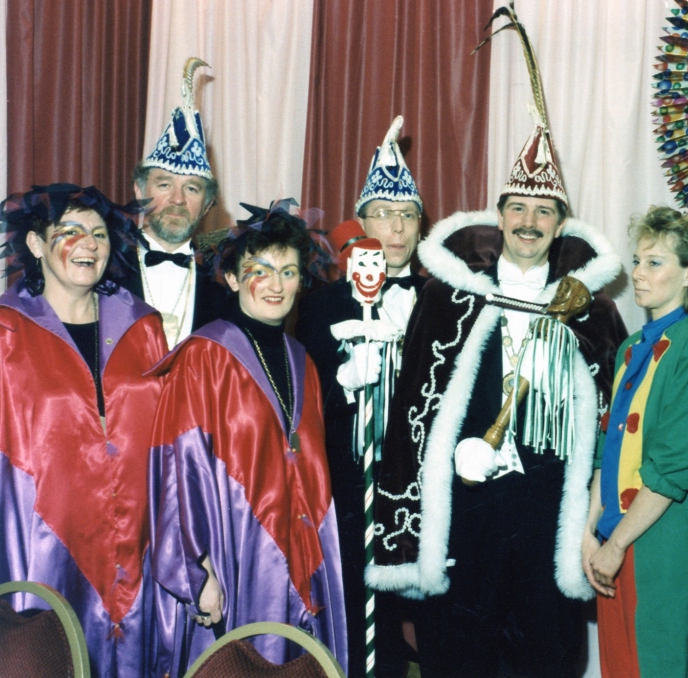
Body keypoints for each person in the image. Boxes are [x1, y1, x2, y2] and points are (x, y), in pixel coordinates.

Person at [367, 112, 628, 677]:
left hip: (547, 520)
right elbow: (410, 415)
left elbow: (615, 432)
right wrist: (405, 540)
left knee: (544, 659)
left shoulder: (595, 313)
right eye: (519, 208)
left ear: (561, 224)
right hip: (466, 517)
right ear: (499, 214)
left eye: (543, 211)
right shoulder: (445, 300)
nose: (529, 222)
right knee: (458, 657)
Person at [149, 200, 347, 675]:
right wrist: (198, 571)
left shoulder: (303, 362)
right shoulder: (205, 356)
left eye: (289, 272)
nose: (276, 285)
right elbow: (177, 471)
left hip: (303, 561)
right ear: (234, 279)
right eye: (261, 270)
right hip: (234, 557)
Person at [0, 183, 167, 676]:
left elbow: (171, 444)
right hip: (44, 547)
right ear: (36, 244)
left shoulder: (143, 325)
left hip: (139, 547)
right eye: (70, 231)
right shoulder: (6, 332)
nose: (89, 244)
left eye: (99, 233)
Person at [295, 115, 425, 678]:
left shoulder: (439, 299)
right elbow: (304, 401)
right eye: (383, 214)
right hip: (350, 484)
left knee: (421, 623)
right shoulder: (323, 303)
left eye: (407, 215)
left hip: (418, 486)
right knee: (355, 619)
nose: (395, 227)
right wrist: (344, 382)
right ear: (361, 223)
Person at [583, 206, 688, 676]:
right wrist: (589, 533)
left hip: (670, 549)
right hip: (619, 541)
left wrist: (614, 544)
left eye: (654, 262)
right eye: (637, 260)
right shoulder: (632, 348)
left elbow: (673, 469)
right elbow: (607, 450)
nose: (638, 273)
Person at [123, 57, 226, 347]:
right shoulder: (102, 270)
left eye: (191, 188)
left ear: (208, 205)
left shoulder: (225, 286)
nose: (178, 199)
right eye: (164, 184)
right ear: (139, 191)